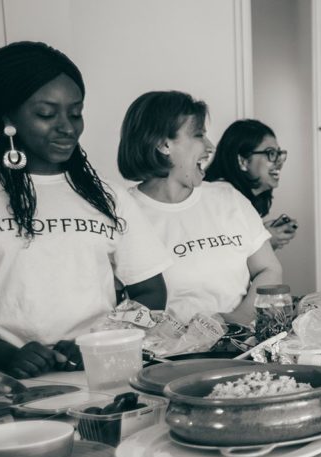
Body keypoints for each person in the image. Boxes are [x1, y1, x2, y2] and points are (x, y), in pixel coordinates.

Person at [0, 42, 170, 378]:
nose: (68, 127)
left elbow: (150, 290)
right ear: (7, 117)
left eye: (76, 112)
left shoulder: (107, 195)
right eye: (46, 114)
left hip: (101, 378)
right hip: (0, 386)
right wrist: (6, 356)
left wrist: (101, 340)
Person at [118, 91, 282, 327]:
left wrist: (240, 318)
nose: (210, 146)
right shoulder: (125, 211)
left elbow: (269, 269)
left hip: (241, 348)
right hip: (172, 357)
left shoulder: (228, 198)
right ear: (164, 144)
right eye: (199, 135)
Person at [204, 119, 297, 250]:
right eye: (271, 153)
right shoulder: (219, 198)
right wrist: (264, 243)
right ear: (243, 161)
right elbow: (221, 258)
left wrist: (260, 233)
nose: (279, 162)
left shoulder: (241, 200)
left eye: (279, 154)